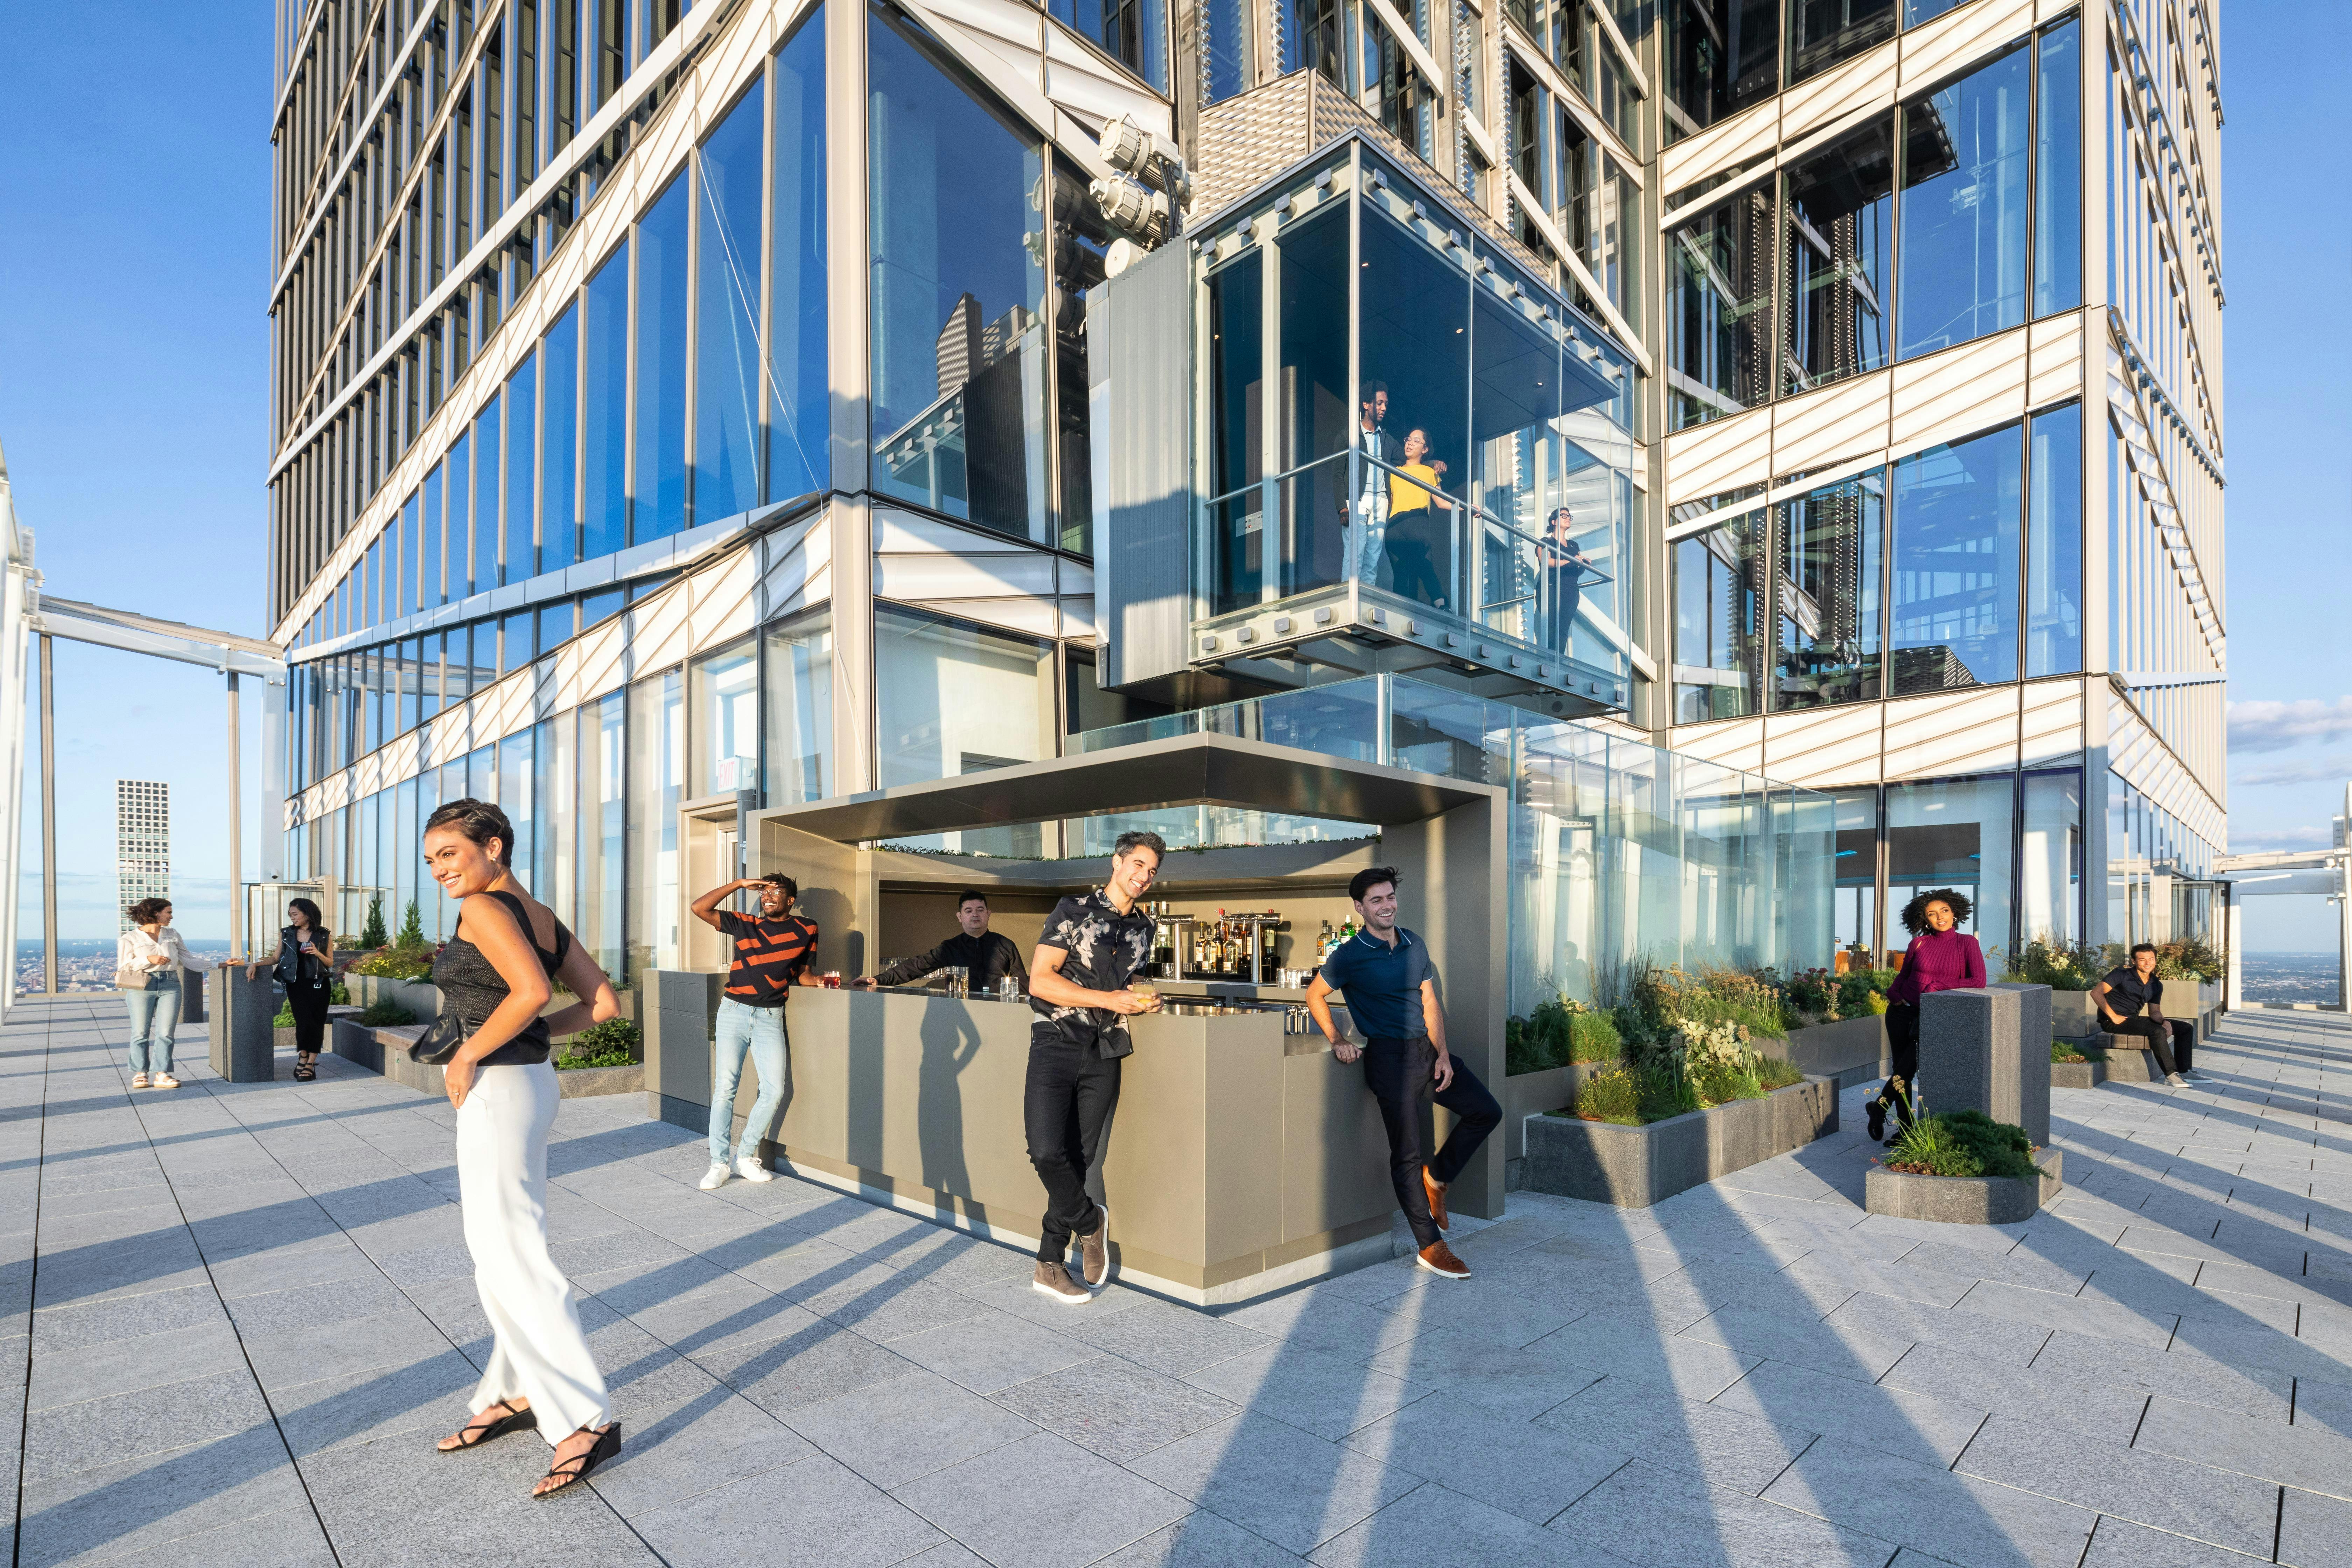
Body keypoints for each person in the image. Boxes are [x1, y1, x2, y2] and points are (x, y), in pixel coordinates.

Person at [422, 798, 624, 1498]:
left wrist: (470, 1052)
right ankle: (515, 1390)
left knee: (514, 1253)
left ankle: (584, 1416)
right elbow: (603, 1003)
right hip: (530, 1084)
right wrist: (528, 1037)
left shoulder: (483, 906)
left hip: (501, 1092)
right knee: (502, 1249)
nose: (441, 869)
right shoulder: (540, 914)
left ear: (494, 846)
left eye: (450, 853)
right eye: (432, 859)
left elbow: (532, 989)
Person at [1306, 866, 1500, 1281]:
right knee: (1407, 1154)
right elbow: (1315, 994)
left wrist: (1443, 1054)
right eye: (1376, 900)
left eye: (1390, 897)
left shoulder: (1414, 942)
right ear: (1359, 907)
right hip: (1389, 1060)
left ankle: (1440, 1176)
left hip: (1427, 1053)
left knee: (1486, 1111)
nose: (1387, 906)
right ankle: (1431, 1246)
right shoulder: (1349, 955)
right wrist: (1338, 1038)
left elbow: (1429, 1001)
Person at [1023, 831, 1165, 1304]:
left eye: (1152, 871)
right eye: (1138, 865)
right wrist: (1108, 998)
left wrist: (1145, 995)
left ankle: (1048, 1264)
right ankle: (1090, 1223)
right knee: (1046, 1151)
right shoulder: (1073, 909)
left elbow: (1129, 979)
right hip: (1056, 1041)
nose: (1144, 877)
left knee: (1079, 1158)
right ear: (1117, 862)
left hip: (1106, 1049)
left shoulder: (1145, 928)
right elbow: (1040, 981)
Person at [690, 873, 822, 1191]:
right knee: (726, 1089)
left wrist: (827, 983)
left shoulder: (808, 928)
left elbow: (804, 974)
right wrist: (738, 884)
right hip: (734, 1011)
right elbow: (699, 908)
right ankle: (719, 1163)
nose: (768, 896)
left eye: (776, 892)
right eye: (765, 892)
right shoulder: (744, 924)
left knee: (774, 1089)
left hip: (771, 1016)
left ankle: (745, 1156)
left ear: (790, 901)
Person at [1870, 889, 1988, 1143]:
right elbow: (1904, 976)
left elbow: (1978, 981)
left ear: (1954, 913)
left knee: (1908, 1067)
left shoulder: (1968, 943)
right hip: (1900, 1011)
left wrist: (1938, 987)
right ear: (1925, 920)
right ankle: (1905, 1130)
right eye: (1932, 914)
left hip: (1931, 1016)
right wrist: (1892, 991)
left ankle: (1879, 1108)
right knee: (1903, 1071)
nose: (1940, 917)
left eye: (1944, 911)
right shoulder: (1919, 943)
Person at [116, 898, 222, 1091]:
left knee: (166, 1033)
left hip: (171, 983)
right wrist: (148, 959)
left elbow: (188, 960)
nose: (172, 916)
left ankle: (162, 1073)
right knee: (140, 1032)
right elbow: (124, 966)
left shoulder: (172, 934)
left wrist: (220, 965)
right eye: (168, 912)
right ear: (155, 913)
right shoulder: (129, 938)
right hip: (142, 984)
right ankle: (140, 1073)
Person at [858, 889, 1024, 994]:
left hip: (1000, 1012)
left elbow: (1022, 984)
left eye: (980, 910)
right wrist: (879, 980)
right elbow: (918, 965)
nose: (975, 914)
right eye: (969, 911)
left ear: (988, 914)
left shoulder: (1006, 945)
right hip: (961, 1010)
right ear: (960, 917)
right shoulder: (951, 947)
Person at [247, 898, 334, 1081]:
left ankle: (310, 1064)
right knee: (303, 1021)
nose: (292, 918)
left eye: (295, 914)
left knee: (316, 1022)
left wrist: (317, 953)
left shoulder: (324, 935)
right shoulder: (287, 933)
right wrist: (255, 964)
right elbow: (275, 958)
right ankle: (303, 1055)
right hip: (296, 984)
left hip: (319, 984)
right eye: (290, 915)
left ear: (307, 915)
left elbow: (330, 963)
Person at [2093, 943, 2203, 1086]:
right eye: (2142, 960)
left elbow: (2155, 1012)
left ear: (2155, 961)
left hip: (2132, 1019)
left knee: (2185, 1028)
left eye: (2151, 959)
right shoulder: (2121, 975)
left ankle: (2184, 1070)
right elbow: (2096, 993)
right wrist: (2113, 1016)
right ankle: (2171, 1074)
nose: (2147, 963)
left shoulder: (2156, 984)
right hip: (2112, 1020)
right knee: (2157, 1031)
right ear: (2134, 961)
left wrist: (2165, 1021)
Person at [1383, 428, 1455, 609]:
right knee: (1404, 569)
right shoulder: (1394, 472)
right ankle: (1404, 610)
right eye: (1408, 439)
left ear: (1425, 450)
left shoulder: (1428, 472)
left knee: (1422, 564)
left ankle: (1439, 604)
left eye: (1416, 441)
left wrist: (1467, 508)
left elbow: (1441, 502)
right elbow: (1389, 502)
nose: (1410, 443)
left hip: (1417, 521)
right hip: (1395, 524)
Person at [1348, 381, 1400, 589]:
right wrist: (1342, 506)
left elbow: (1406, 463)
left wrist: (1431, 463)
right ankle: (1350, 595)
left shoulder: (1387, 439)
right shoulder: (1351, 435)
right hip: (1358, 499)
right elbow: (1338, 473)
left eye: (1386, 404)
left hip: (1381, 500)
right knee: (1355, 553)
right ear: (1366, 404)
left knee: (1373, 558)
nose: (1384, 408)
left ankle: (1366, 597)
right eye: (1379, 403)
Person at [1539, 507, 1592, 653]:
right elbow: (1546, 561)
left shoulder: (1574, 545)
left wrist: (1583, 563)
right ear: (1554, 521)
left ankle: (1557, 659)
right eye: (1564, 516)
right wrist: (1568, 562)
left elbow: (1578, 568)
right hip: (1551, 587)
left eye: (1569, 516)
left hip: (1571, 589)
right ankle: (1548, 658)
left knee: (1563, 627)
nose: (1568, 518)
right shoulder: (1546, 541)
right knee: (1551, 625)